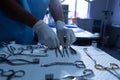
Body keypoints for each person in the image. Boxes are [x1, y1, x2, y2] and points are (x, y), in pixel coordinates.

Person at [0, 0, 76, 48]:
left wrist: (60, 24)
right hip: (5, 37)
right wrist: (38, 25)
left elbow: (53, 1)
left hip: (28, 40)